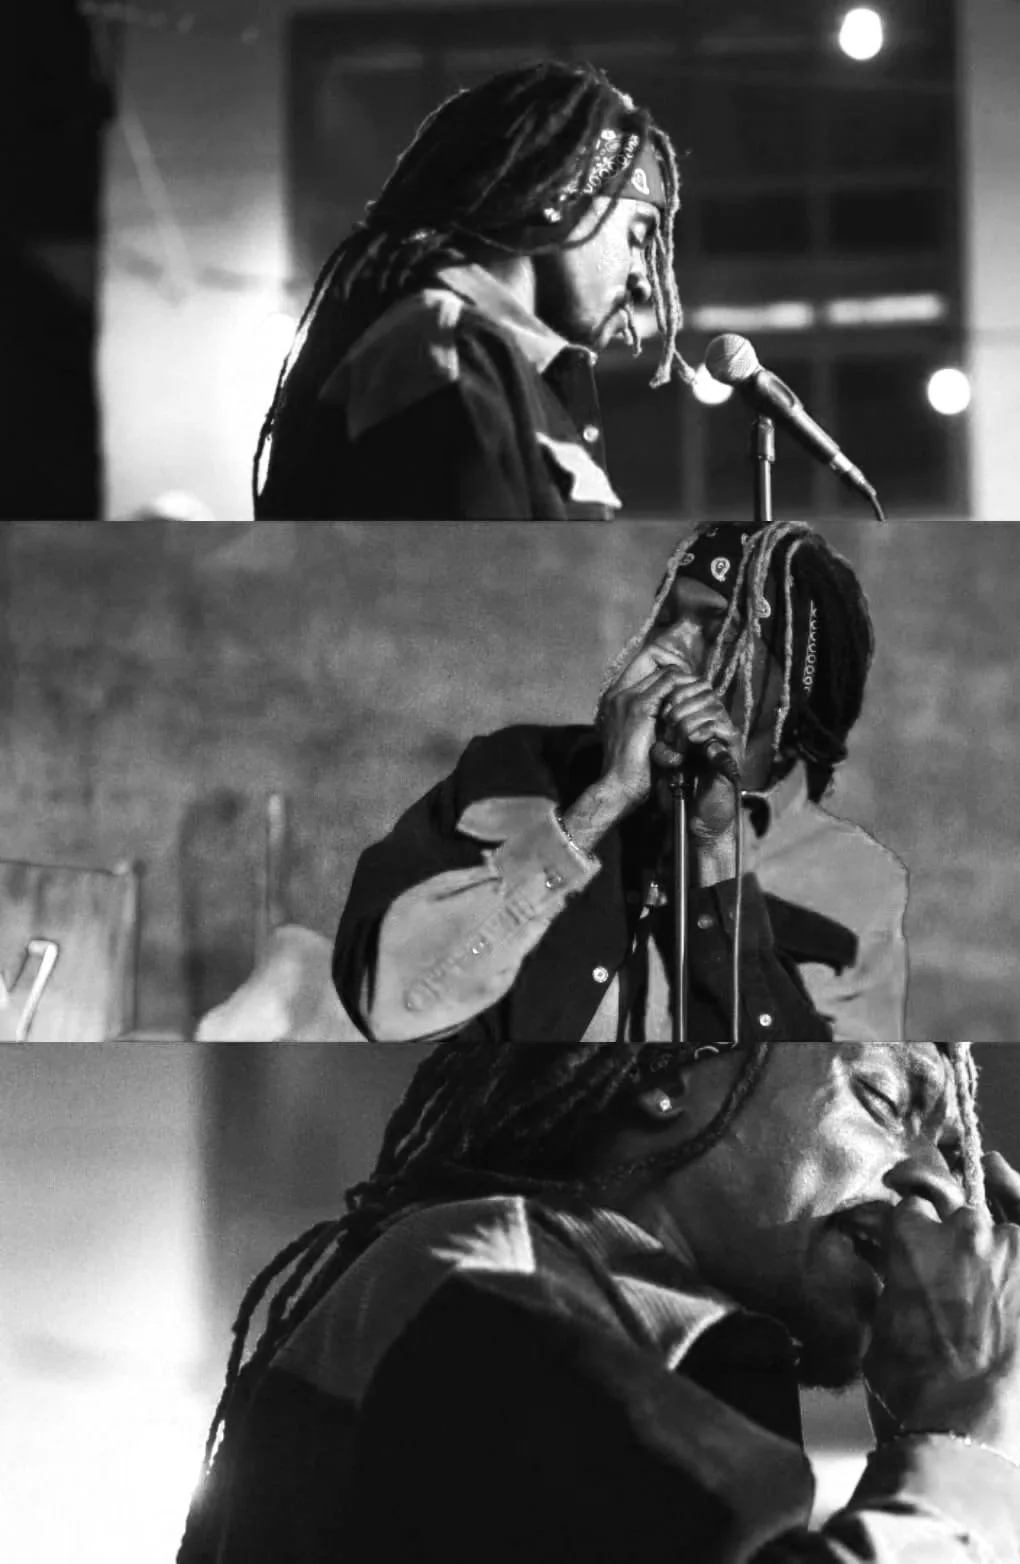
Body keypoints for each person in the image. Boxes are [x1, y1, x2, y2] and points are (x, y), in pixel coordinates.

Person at [177, 1041, 1020, 1564]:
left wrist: (996, 1460)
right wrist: (975, 1425)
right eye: (884, 1096)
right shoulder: (483, 1282)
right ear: (667, 1072)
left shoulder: (676, 1368)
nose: (934, 1181)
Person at [333, 520, 909, 1043]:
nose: (666, 648)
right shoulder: (513, 766)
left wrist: (716, 849)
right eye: (668, 616)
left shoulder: (859, 883)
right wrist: (600, 805)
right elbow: (388, 1005)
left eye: (716, 630)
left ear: (793, 694)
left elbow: (804, 1104)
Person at [254, 61, 690, 520]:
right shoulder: (443, 351)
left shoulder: (481, 361)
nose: (644, 280)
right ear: (559, 195)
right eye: (637, 237)